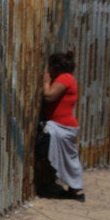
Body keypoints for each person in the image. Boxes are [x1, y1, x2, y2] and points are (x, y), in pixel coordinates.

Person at [42, 51, 85, 202]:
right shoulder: (66, 78)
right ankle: (75, 189)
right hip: (62, 126)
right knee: (68, 159)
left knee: (69, 159)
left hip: (63, 126)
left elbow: (49, 96)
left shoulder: (65, 78)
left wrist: (46, 82)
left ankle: (77, 190)